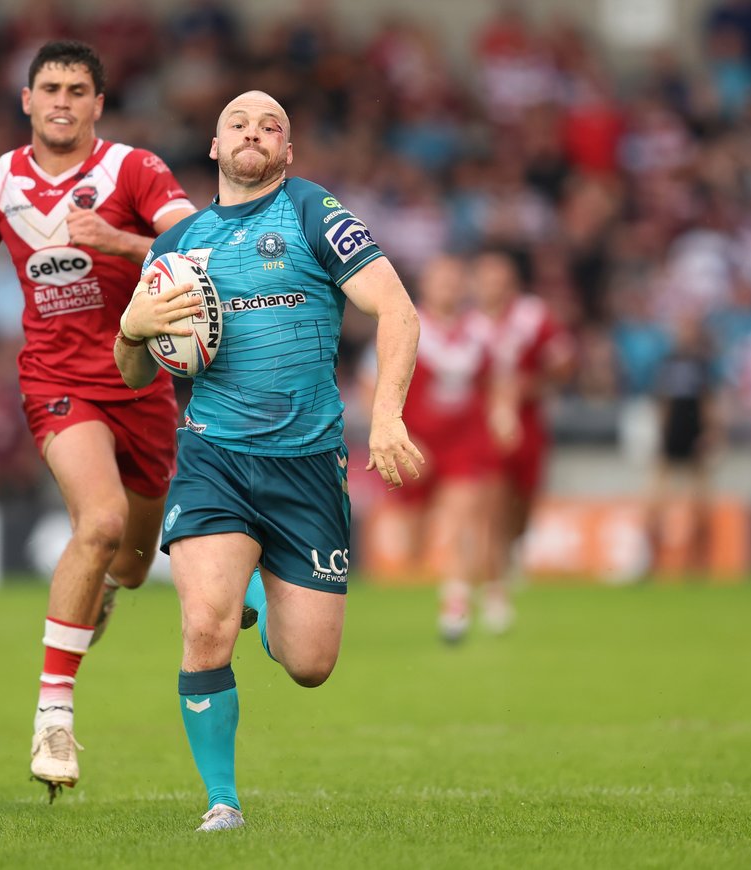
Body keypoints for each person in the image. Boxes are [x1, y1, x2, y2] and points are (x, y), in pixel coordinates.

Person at [114, 90, 423, 831]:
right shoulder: (177, 247)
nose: (255, 132)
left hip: (309, 464)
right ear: (215, 148)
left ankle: (265, 611)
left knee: (310, 663)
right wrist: (131, 328)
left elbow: (399, 310)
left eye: (272, 126)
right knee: (204, 625)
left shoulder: (315, 212)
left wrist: (384, 417)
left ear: (286, 152)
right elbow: (134, 374)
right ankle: (223, 800)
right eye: (239, 124)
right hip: (215, 455)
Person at [0, 40, 196, 797]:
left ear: (97, 105)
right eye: (49, 87)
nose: (61, 100)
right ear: (26, 99)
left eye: (77, 89)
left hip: (142, 384)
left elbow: (202, 248)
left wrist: (121, 241)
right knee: (102, 522)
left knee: (134, 563)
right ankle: (54, 715)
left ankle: (105, 589)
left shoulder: (134, 171)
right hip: (57, 383)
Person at [379, 254, 518, 643]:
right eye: (441, 280)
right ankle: (471, 588)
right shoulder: (406, 324)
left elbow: (499, 381)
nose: (449, 288)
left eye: (455, 280)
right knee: (413, 545)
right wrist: (393, 425)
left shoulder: (480, 332)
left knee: (466, 518)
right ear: (425, 286)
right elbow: (371, 381)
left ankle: (455, 602)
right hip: (416, 441)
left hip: (466, 441)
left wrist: (504, 414)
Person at [473, 247, 574, 630]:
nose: (490, 287)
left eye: (497, 279)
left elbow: (563, 362)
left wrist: (531, 385)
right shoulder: (469, 324)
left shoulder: (533, 316)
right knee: (492, 508)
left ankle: (510, 552)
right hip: (481, 429)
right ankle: (496, 594)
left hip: (528, 426)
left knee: (523, 510)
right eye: (484, 279)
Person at [648, 313, 722, 574]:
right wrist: (661, 435)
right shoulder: (667, 363)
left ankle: (699, 563)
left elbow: (707, 402)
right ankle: (653, 561)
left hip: (694, 436)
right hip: (672, 438)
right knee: (656, 502)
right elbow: (663, 404)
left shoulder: (702, 364)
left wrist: (711, 433)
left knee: (700, 504)